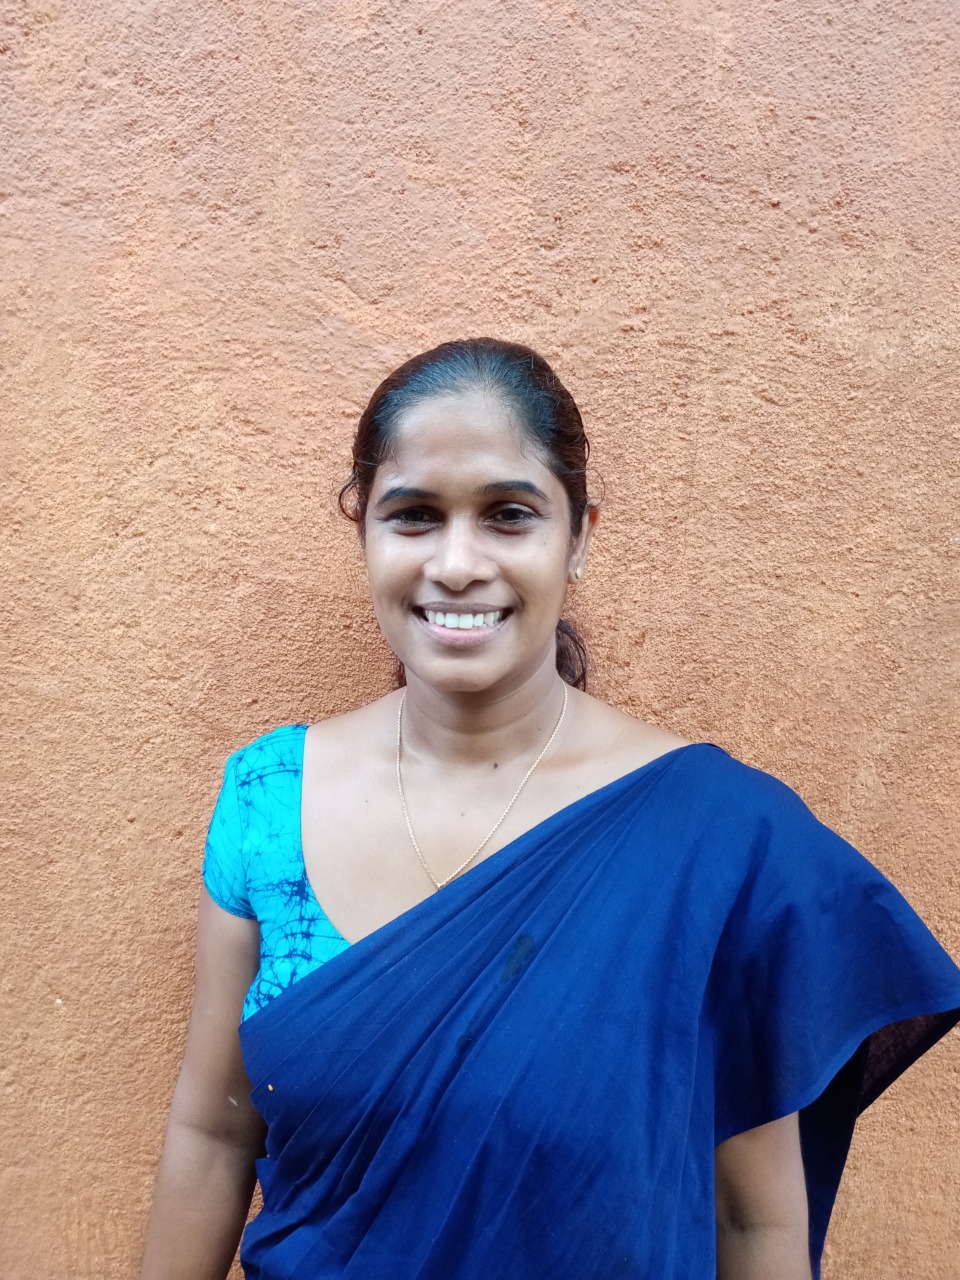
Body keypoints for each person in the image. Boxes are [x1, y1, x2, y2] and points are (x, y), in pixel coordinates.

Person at [140, 338, 960, 1280]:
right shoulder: (268, 801)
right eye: (414, 515)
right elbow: (213, 1131)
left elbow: (753, 1222)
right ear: (363, 529)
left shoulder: (716, 840)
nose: (457, 564)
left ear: (579, 537)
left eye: (508, 515)